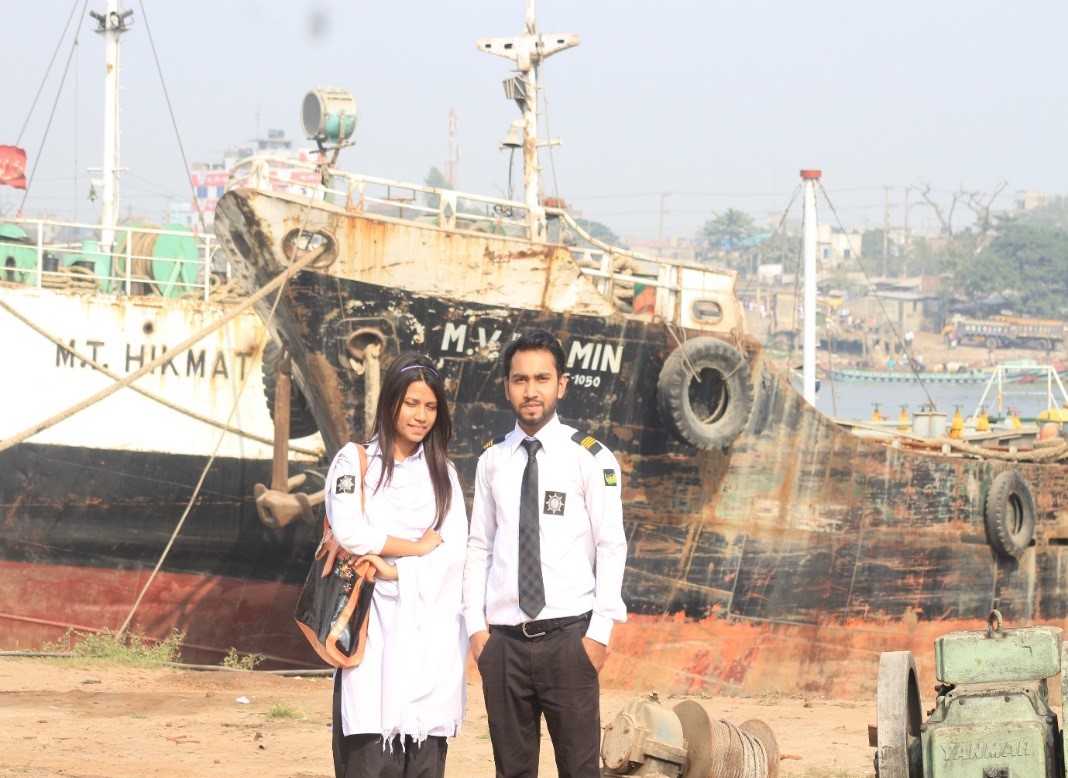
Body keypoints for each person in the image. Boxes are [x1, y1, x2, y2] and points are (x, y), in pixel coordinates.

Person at [463, 329, 628, 777]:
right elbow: (479, 546)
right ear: (507, 387)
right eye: (520, 379)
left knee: (579, 770)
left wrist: (599, 635)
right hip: (503, 646)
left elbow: (611, 545)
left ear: (562, 384)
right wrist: (476, 630)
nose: (531, 391)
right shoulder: (492, 460)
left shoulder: (590, 458)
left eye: (542, 378)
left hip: (569, 641)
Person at [326, 352, 468, 778]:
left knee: (423, 759)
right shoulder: (355, 461)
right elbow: (349, 531)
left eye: (431, 406)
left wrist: (395, 569)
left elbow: (455, 551)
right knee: (371, 755)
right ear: (390, 402)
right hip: (372, 630)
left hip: (430, 636)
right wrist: (418, 547)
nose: (421, 416)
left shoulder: (444, 474)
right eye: (411, 403)